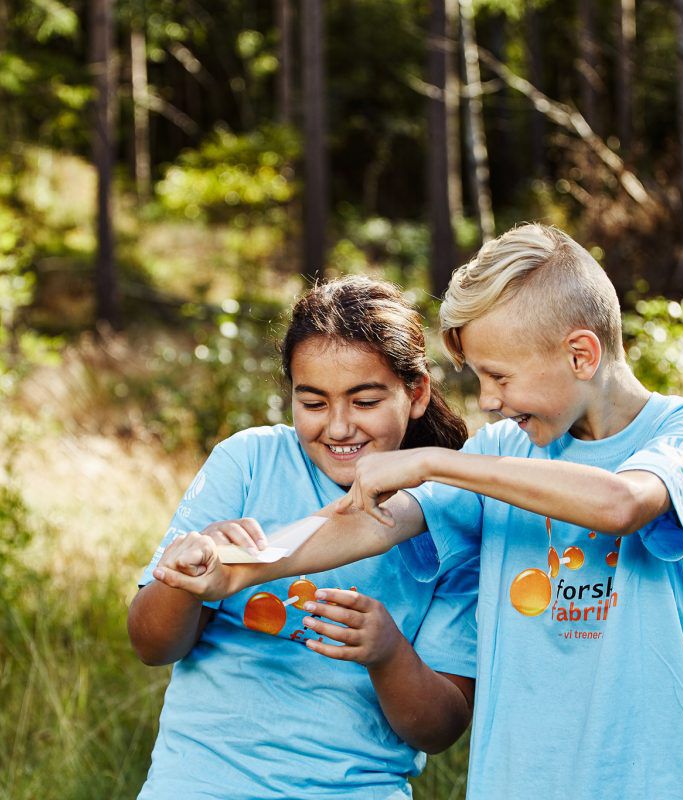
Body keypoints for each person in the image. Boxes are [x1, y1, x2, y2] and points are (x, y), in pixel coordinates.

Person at [154, 223, 683, 799]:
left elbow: (623, 503)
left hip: (652, 781)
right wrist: (237, 569)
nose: (487, 400)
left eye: (500, 376)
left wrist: (436, 462)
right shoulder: (501, 448)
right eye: (480, 378)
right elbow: (368, 523)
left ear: (581, 354)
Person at [128, 276, 480, 800]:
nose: (338, 428)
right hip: (200, 782)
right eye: (313, 403)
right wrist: (185, 577)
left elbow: (440, 727)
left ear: (417, 393)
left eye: (363, 401)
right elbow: (151, 645)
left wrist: (387, 652)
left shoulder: (452, 510)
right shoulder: (248, 462)